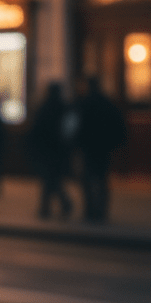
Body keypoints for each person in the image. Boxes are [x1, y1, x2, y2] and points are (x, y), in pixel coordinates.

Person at [75, 76, 127, 222]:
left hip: (88, 148)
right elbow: (119, 125)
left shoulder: (84, 103)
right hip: (103, 148)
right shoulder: (107, 103)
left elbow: (76, 126)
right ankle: (101, 211)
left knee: (88, 179)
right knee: (101, 179)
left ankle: (90, 210)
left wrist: (75, 144)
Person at [28, 82, 74, 219]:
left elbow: (37, 130)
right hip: (59, 150)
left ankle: (49, 207)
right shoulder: (64, 108)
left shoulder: (44, 108)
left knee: (50, 179)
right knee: (52, 179)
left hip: (47, 150)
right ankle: (55, 205)